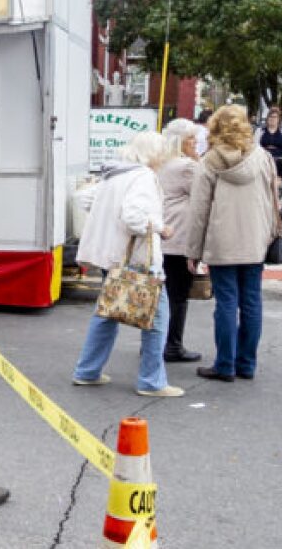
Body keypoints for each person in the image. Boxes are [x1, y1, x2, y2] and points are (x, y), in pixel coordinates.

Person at [70, 133, 183, 398]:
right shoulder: (143, 176)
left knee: (107, 312)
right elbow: (133, 217)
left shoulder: (116, 174)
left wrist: (106, 222)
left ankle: (87, 371)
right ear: (153, 154)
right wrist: (161, 228)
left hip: (113, 258)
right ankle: (151, 381)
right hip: (139, 259)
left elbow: (83, 199)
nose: (163, 159)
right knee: (157, 318)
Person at [188, 103, 280, 383]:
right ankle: (247, 364)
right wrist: (274, 232)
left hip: (222, 242)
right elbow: (273, 199)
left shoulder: (209, 161)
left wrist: (193, 250)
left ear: (215, 127)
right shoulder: (263, 157)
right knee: (252, 301)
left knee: (226, 302)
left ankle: (224, 364)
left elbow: (199, 209)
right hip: (255, 240)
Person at [157, 119, 203, 364]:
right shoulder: (187, 167)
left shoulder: (160, 164)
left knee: (159, 294)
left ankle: (154, 343)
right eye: (191, 139)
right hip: (179, 238)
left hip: (160, 237)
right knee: (178, 295)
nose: (196, 142)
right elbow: (202, 197)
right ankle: (173, 345)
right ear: (179, 142)